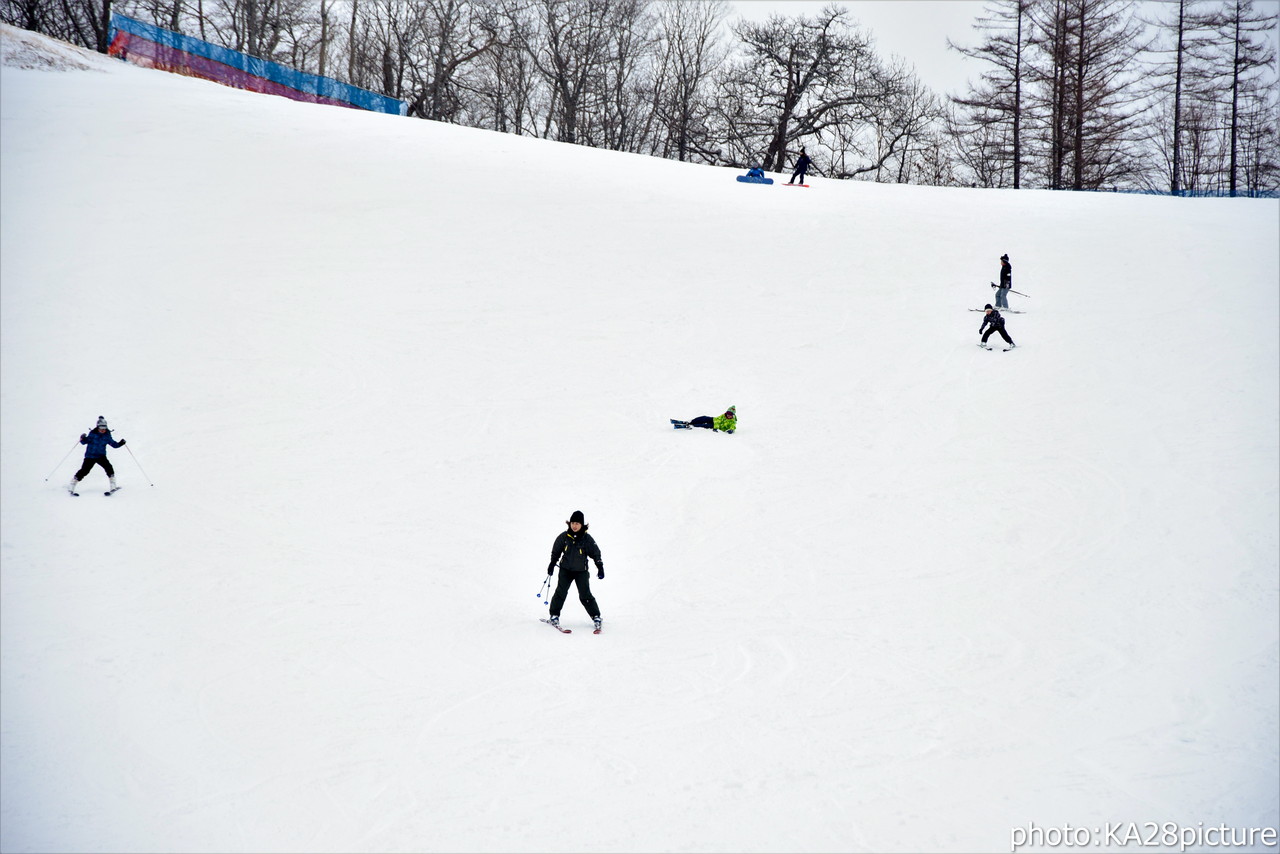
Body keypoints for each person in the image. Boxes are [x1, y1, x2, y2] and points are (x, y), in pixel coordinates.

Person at [546, 510, 604, 631]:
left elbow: (595, 553)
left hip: (581, 571)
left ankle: (596, 616)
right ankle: (554, 615)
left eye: (577, 523)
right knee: (560, 592)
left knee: (585, 595)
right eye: (573, 523)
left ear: (582, 524)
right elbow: (556, 551)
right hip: (565, 570)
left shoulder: (586, 539)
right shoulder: (564, 536)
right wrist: (552, 564)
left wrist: (600, 566)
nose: (574, 525)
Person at [69, 416, 125, 494]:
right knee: (85, 471)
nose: (102, 430)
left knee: (109, 468)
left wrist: (120, 443)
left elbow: (114, 444)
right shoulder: (92, 434)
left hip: (101, 456)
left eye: (104, 428)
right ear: (97, 427)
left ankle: (113, 485)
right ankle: (72, 484)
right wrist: (82, 438)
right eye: (101, 428)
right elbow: (83, 442)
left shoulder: (107, 436)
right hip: (90, 456)